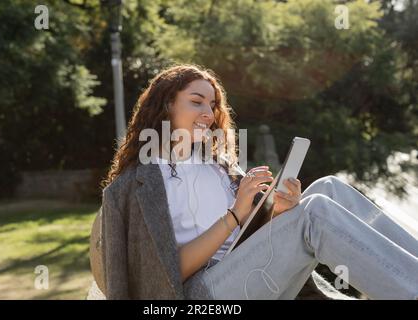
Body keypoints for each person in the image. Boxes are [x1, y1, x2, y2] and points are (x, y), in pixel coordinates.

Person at [99, 63, 418, 299]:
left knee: (327, 188)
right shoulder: (133, 187)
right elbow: (166, 273)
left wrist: (281, 213)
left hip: (245, 271)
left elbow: (250, 239)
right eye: (196, 101)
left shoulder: (219, 168)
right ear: (167, 104)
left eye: (212, 105)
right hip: (202, 294)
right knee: (316, 210)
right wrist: (234, 215)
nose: (208, 113)